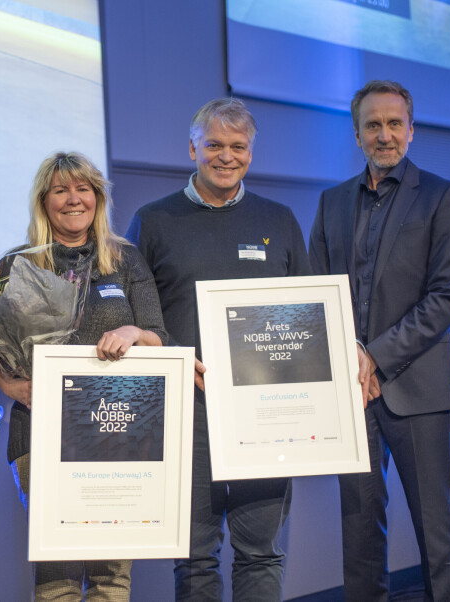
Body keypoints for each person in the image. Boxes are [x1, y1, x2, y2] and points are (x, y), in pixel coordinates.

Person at [126, 98, 310, 601]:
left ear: (251, 152)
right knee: (195, 558)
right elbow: (133, 320)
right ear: (192, 148)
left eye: (238, 146)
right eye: (214, 145)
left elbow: (308, 319)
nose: (226, 156)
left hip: (265, 416)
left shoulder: (280, 220)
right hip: (188, 418)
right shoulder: (153, 221)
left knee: (261, 552)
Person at [308, 80, 450, 601]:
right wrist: (347, 360)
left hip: (418, 393)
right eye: (372, 125)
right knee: (359, 545)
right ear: (357, 136)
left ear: (411, 130)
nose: (384, 135)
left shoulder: (442, 196)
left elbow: (444, 299)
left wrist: (372, 357)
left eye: (394, 123)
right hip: (351, 399)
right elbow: (316, 294)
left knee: (437, 543)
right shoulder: (331, 203)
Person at [0, 151, 168, 601]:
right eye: (60, 190)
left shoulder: (126, 260)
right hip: (43, 432)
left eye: (83, 188)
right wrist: (11, 386)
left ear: (98, 197)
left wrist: (134, 332)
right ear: (44, 201)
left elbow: (160, 340)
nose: (73, 199)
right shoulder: (18, 263)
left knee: (112, 572)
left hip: (119, 430)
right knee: (58, 571)